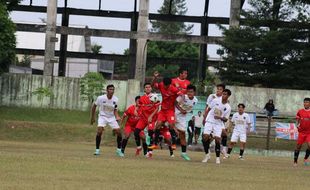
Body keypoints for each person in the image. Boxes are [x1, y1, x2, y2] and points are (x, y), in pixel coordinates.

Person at [149, 72, 181, 150]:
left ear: (169, 84)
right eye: (164, 85)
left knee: (171, 125)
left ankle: (173, 144)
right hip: (163, 110)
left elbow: (181, 94)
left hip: (170, 111)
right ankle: (155, 144)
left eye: (166, 85)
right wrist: (155, 78)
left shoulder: (173, 89)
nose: (165, 86)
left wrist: (179, 88)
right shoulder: (161, 85)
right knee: (158, 125)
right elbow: (152, 85)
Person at [91, 84, 123, 157]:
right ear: (107, 90)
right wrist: (92, 117)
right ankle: (97, 150)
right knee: (99, 131)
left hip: (111, 117)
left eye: (113, 89)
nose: (112, 91)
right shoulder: (101, 98)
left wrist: (117, 116)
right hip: (102, 116)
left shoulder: (116, 99)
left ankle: (118, 150)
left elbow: (115, 110)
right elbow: (94, 106)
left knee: (119, 132)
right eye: (110, 89)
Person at [201, 89, 232, 164]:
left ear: (228, 96)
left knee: (218, 139)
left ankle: (217, 158)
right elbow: (208, 109)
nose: (223, 95)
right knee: (205, 137)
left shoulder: (228, 107)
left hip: (218, 123)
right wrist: (205, 118)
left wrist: (220, 117)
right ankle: (207, 155)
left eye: (225, 94)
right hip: (210, 121)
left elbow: (225, 119)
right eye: (223, 94)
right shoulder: (215, 100)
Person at [133, 83, 160, 157]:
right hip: (143, 118)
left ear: (151, 88)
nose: (148, 88)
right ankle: (139, 147)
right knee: (136, 132)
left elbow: (157, 108)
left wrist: (151, 116)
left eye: (149, 87)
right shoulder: (142, 98)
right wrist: (136, 110)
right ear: (144, 89)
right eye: (146, 87)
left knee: (150, 133)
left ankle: (150, 151)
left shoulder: (155, 97)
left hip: (151, 119)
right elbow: (139, 105)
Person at [175, 85, 198, 161]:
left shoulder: (195, 100)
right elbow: (175, 103)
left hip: (182, 118)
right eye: (188, 91)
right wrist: (181, 110)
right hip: (174, 114)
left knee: (183, 134)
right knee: (165, 126)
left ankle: (183, 153)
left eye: (191, 92)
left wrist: (184, 111)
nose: (189, 93)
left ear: (194, 92)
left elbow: (189, 108)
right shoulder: (183, 97)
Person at [205, 84, 229, 157]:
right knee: (208, 135)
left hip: (219, 120)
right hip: (211, 118)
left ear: (223, 91)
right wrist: (205, 116)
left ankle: (223, 149)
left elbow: (226, 111)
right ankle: (209, 148)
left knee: (224, 134)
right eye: (217, 89)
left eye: (220, 89)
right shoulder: (212, 96)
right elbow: (207, 107)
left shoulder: (226, 100)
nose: (218, 90)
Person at [293, 97, 310, 166]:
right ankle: (295, 162)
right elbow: (297, 120)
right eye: (304, 102)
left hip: (309, 133)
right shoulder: (300, 111)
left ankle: (305, 159)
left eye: (307, 102)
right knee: (298, 147)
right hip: (301, 132)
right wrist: (297, 125)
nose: (305, 103)